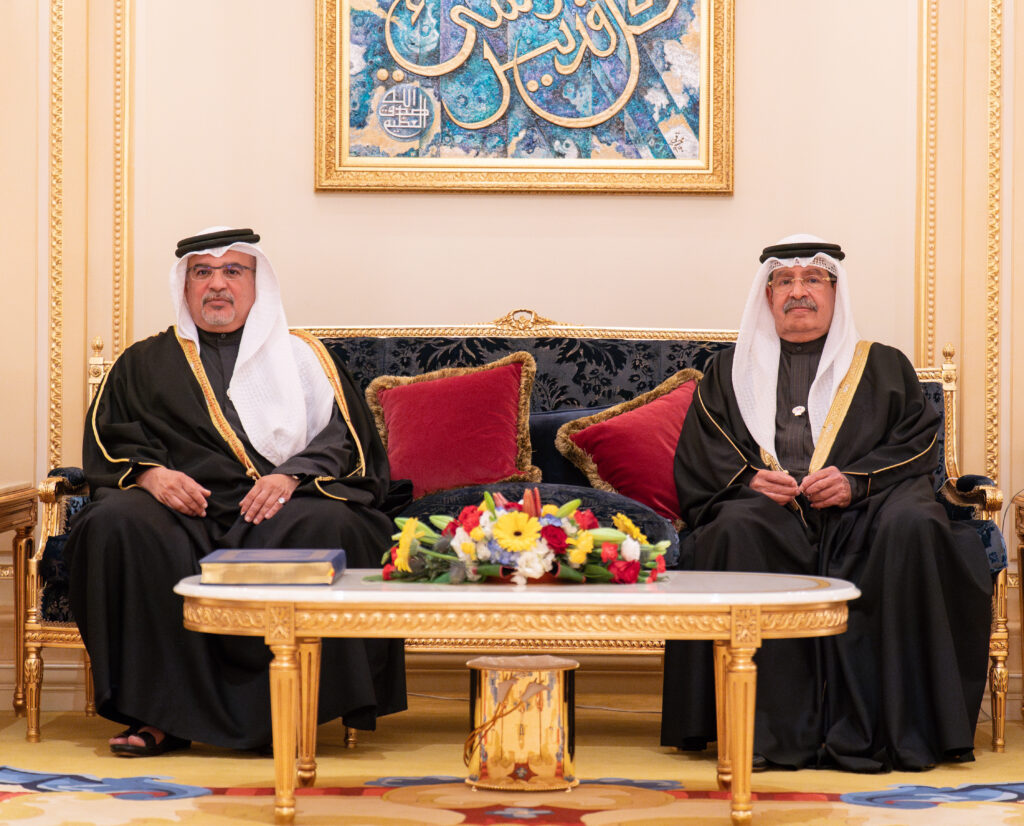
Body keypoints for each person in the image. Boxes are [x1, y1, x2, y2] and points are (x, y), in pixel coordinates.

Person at [65, 227, 407, 757]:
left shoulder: (303, 356)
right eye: (202, 272)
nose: (217, 284)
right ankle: (159, 714)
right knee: (117, 523)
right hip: (181, 509)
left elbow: (345, 439)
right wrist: (152, 476)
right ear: (185, 286)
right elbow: (110, 438)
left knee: (332, 524)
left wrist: (291, 476)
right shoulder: (144, 361)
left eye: (233, 271)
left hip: (278, 505)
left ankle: (294, 709)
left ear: (256, 281)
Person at [660, 234, 993, 772]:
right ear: (768, 296)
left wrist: (857, 482)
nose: (799, 292)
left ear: (836, 292)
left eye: (813, 279)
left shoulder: (883, 364)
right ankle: (761, 734)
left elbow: (917, 444)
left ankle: (900, 731)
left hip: (865, 513)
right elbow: (704, 451)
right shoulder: (728, 370)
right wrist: (749, 479)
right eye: (784, 281)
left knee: (913, 522)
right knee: (732, 528)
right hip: (772, 517)